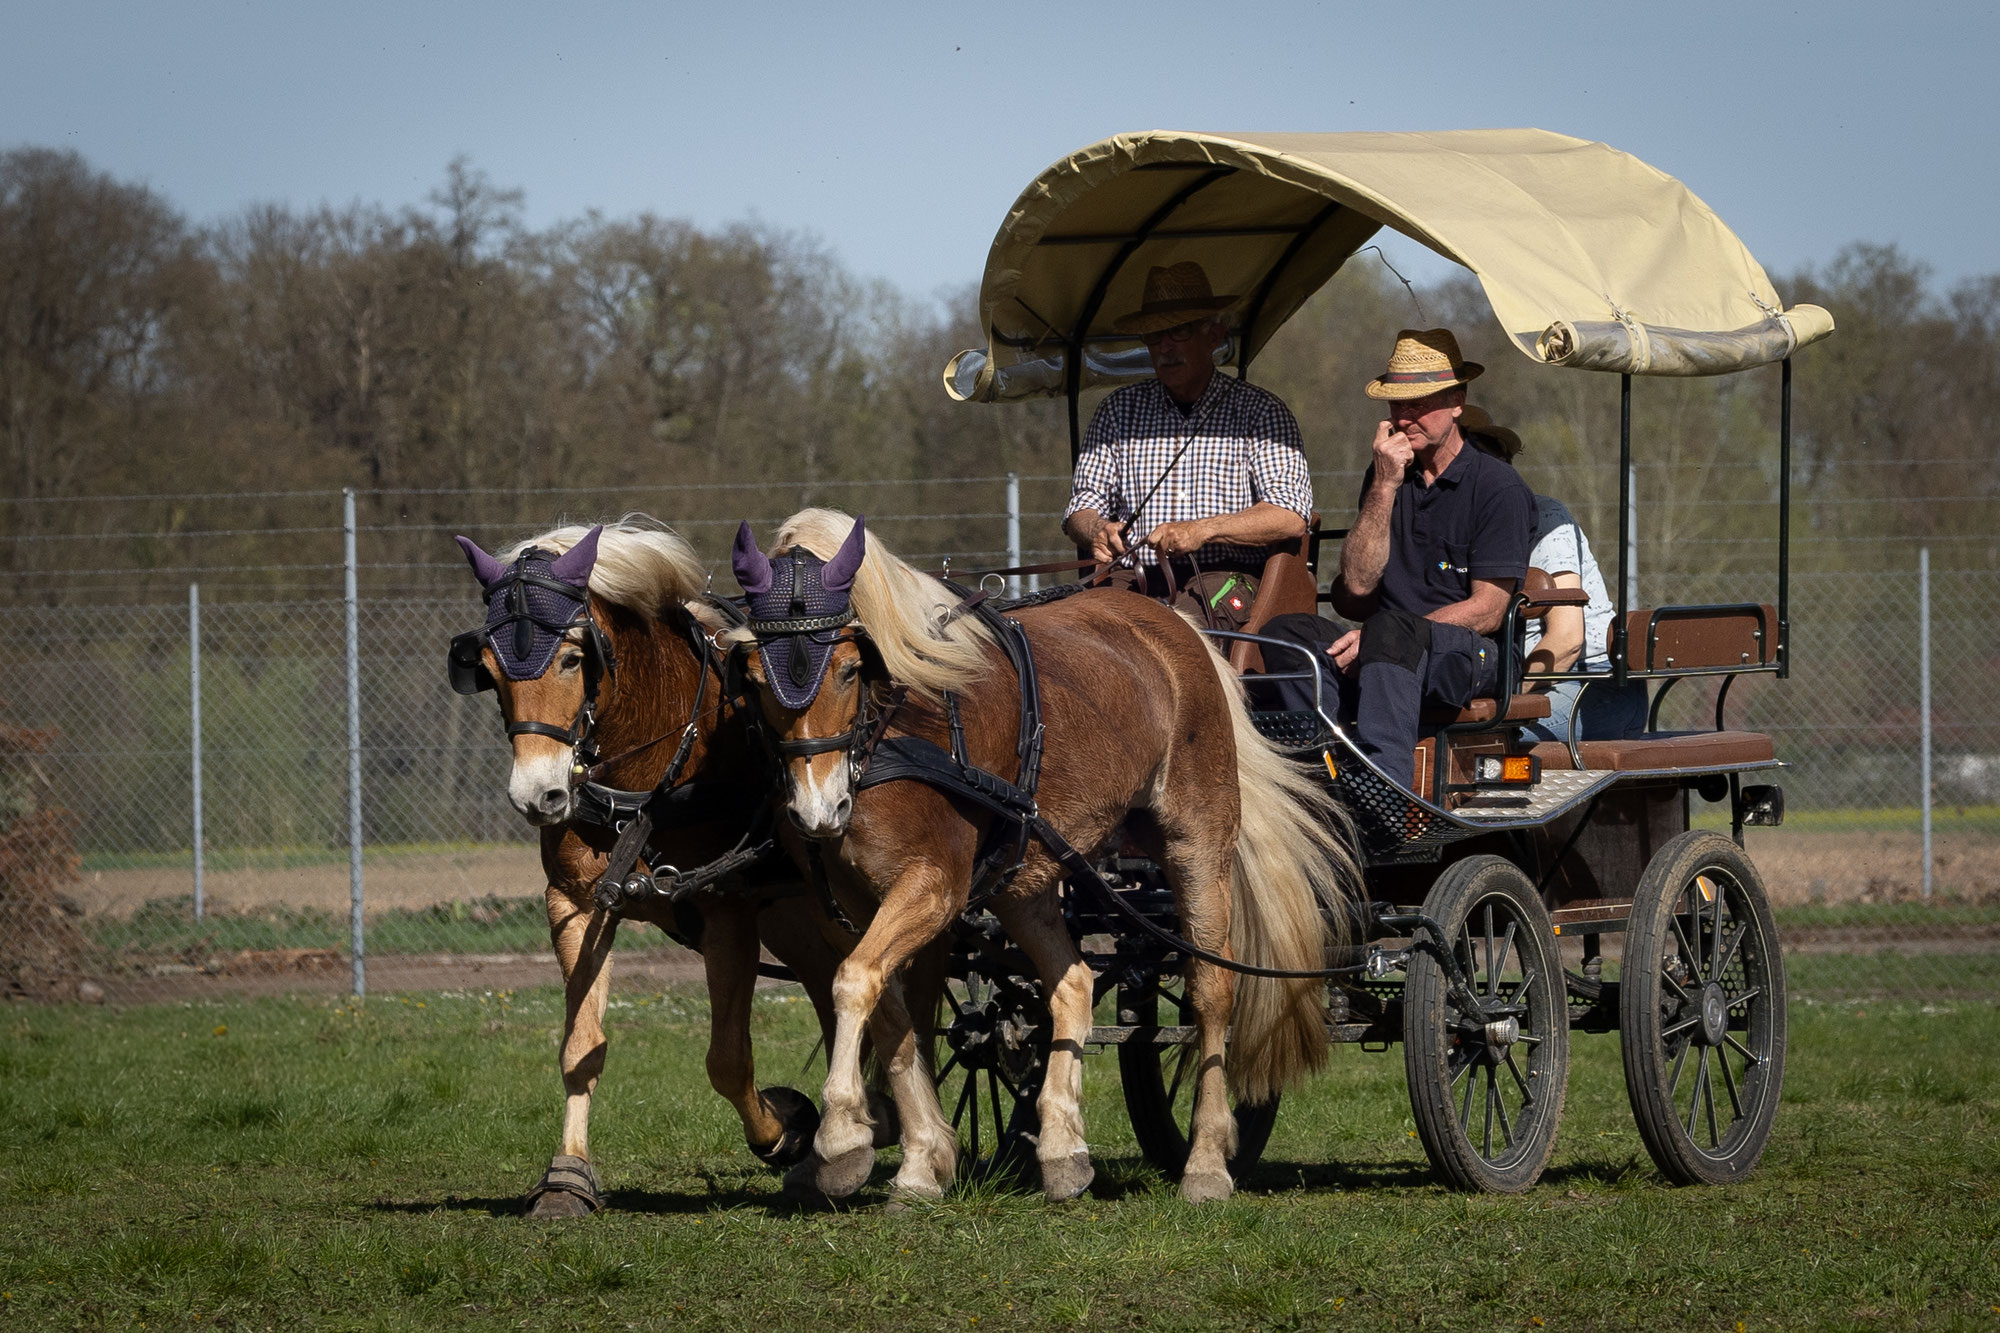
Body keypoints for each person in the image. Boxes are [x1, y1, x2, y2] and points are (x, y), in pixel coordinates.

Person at [1257, 329, 1534, 793]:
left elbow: (1488, 610)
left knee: (1391, 629)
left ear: (1456, 401)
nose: (1406, 417)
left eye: (1420, 403)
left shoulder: (1497, 486)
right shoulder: (1387, 475)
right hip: (1388, 648)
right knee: (1287, 633)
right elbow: (1360, 586)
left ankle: (1385, 791)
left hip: (1475, 655)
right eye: (1397, 406)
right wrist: (1385, 485)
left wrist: (1389, 637)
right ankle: (1321, 778)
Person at [1061, 261, 1312, 628]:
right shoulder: (1117, 411)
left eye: (1178, 332)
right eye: (1154, 335)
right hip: (1133, 578)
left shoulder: (1260, 412)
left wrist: (1202, 530)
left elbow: (1290, 514)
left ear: (1213, 337)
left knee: (1171, 632)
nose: (1165, 346)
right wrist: (1096, 529)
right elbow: (1081, 506)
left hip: (1225, 578)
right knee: (1073, 637)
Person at [1458, 406, 1648, 741]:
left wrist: (1501, 699)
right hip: (1519, 684)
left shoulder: (1546, 519)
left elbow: (1567, 640)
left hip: (1594, 685)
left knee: (1480, 738)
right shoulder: (1457, 531)